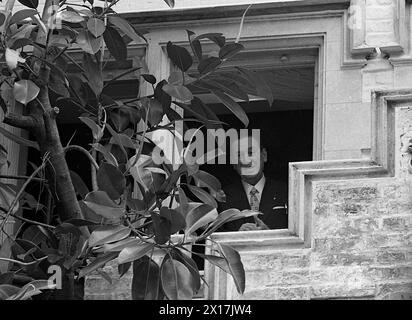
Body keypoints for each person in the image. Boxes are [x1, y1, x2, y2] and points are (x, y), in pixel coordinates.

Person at [218, 132, 288, 231]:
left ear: (264, 155)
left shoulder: (287, 191)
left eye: (250, 153)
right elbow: (214, 240)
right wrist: (236, 238)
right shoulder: (222, 197)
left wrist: (268, 234)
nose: (246, 160)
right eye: (238, 155)